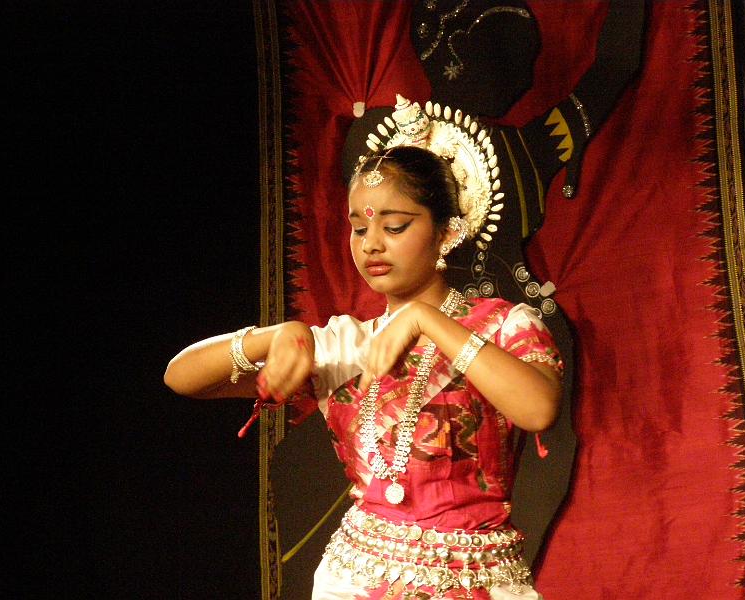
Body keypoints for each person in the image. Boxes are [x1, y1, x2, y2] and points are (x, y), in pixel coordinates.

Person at [164, 96, 563, 599]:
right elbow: (180, 377)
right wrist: (278, 334)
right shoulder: (346, 345)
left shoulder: (504, 327)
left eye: (394, 227)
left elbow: (538, 408)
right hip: (354, 584)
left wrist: (424, 319)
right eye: (358, 228)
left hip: (476, 583)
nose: (371, 243)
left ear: (447, 232)